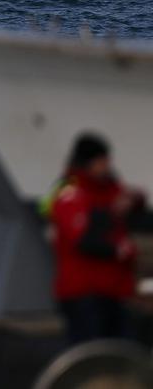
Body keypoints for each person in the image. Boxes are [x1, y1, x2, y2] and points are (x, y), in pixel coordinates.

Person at [50, 132, 144, 345]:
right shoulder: (70, 192)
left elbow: (133, 201)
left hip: (114, 290)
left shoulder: (109, 187)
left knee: (121, 352)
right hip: (84, 293)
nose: (107, 166)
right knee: (92, 353)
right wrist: (118, 249)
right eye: (102, 161)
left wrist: (133, 200)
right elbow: (83, 240)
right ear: (88, 162)